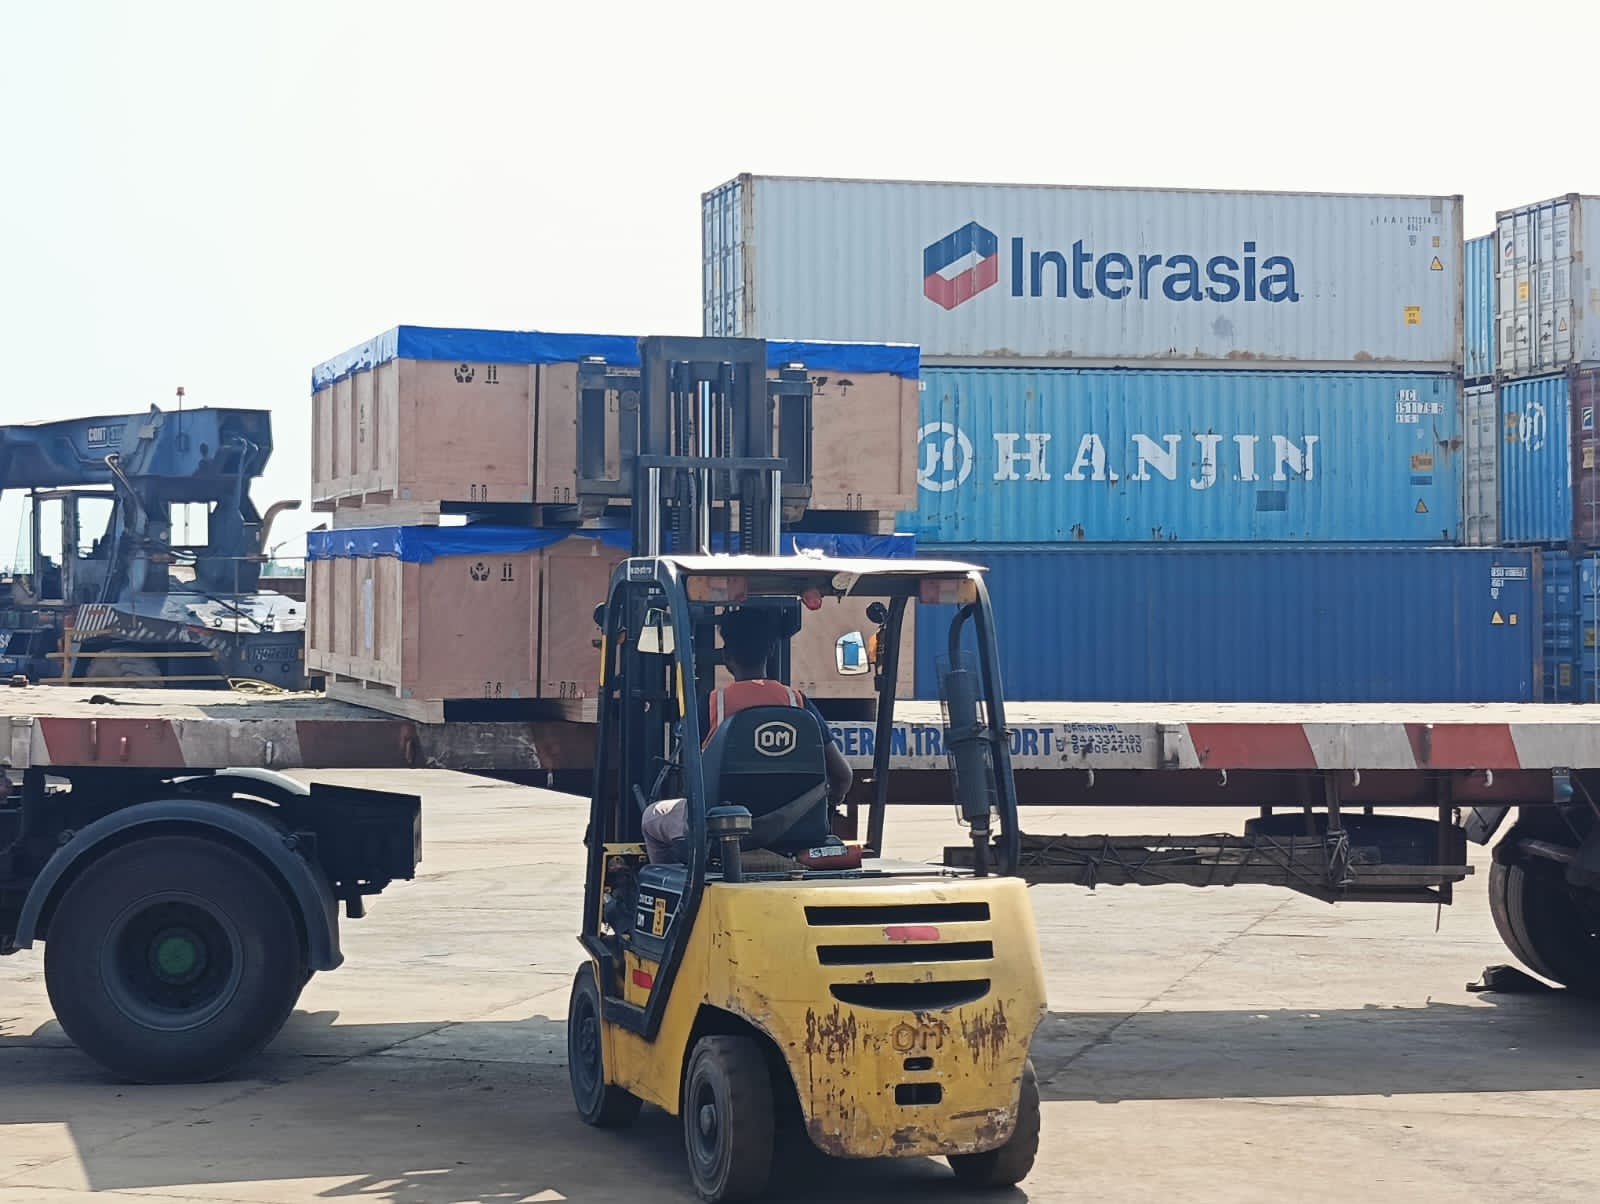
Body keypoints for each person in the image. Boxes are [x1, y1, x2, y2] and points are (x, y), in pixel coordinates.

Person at [640, 606, 852, 864]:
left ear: (727, 657)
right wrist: (828, 802)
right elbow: (843, 776)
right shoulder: (797, 702)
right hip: (796, 831)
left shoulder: (712, 705)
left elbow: (692, 776)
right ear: (771, 650)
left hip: (726, 831)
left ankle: (676, 882)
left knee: (651, 817)